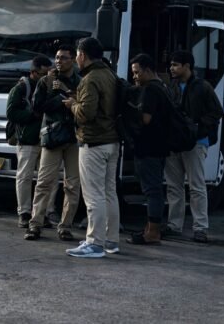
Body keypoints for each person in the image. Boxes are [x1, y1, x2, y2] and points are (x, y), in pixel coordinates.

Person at [63, 37, 120, 258]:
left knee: (93, 195)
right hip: (111, 140)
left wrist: (72, 104)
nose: (76, 58)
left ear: (83, 55)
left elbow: (86, 114)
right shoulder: (109, 74)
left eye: (77, 54)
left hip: (93, 142)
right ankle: (110, 240)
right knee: (109, 193)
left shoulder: (90, 79)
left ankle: (94, 243)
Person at [164, 50, 223, 243]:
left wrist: (198, 128)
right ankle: (174, 225)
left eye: (175, 65)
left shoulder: (203, 87)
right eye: (171, 65)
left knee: (196, 186)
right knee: (174, 187)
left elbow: (216, 112)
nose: (171, 68)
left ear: (187, 66)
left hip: (196, 143)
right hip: (174, 143)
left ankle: (200, 228)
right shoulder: (171, 87)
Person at [25, 47, 82, 241]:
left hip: (74, 138)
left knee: (73, 185)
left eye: (63, 58)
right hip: (52, 137)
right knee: (44, 182)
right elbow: (36, 108)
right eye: (57, 58)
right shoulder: (46, 81)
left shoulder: (81, 81)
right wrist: (59, 99)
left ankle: (65, 226)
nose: (59, 61)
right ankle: (35, 224)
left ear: (73, 60)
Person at [125, 53, 171, 245]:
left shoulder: (151, 90)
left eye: (137, 72)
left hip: (149, 147)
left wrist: (128, 110)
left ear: (148, 70)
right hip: (159, 146)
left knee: (152, 190)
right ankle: (150, 229)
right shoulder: (163, 87)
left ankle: (152, 232)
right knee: (154, 189)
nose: (134, 76)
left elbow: (145, 119)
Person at [6, 55, 52, 228]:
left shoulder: (48, 87)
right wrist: (32, 116)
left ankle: (40, 213)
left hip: (46, 139)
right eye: (44, 74)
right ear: (34, 72)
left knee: (45, 179)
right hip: (27, 139)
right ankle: (24, 212)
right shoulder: (20, 88)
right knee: (24, 176)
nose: (47, 77)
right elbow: (11, 113)